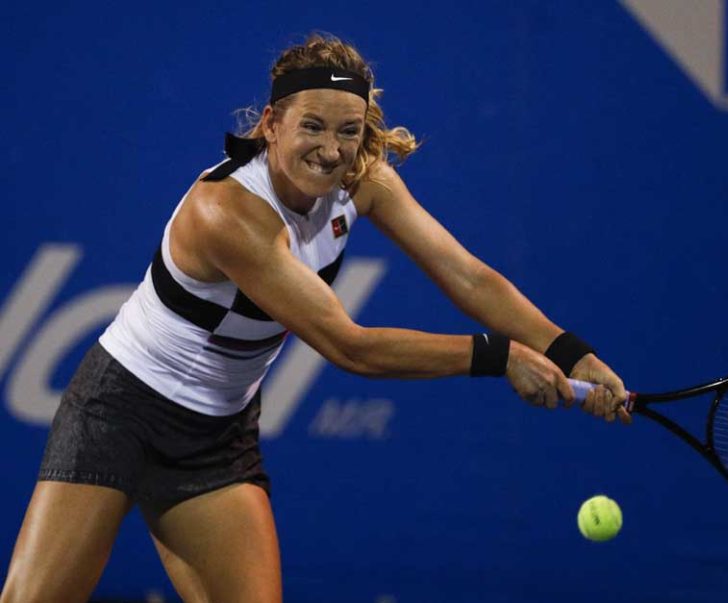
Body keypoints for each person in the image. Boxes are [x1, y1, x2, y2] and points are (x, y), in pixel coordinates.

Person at [0, 33, 630, 603]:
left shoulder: (366, 180)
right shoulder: (228, 212)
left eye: (349, 130)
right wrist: (504, 357)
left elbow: (467, 276)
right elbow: (349, 346)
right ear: (271, 124)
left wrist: (572, 353)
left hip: (217, 435)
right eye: (313, 127)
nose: (331, 150)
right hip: (120, 411)